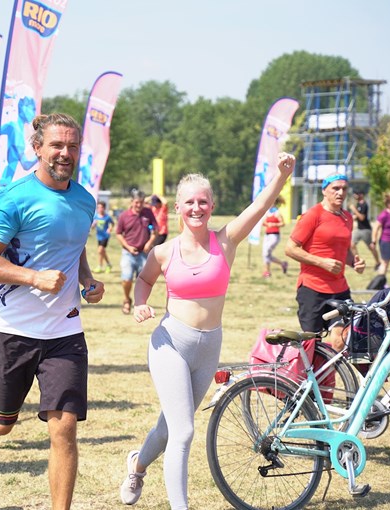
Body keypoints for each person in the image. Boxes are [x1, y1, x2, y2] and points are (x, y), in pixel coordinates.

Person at [0, 113, 104, 509]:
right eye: (56, 145)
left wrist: (86, 279)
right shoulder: (15, 197)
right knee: (1, 422)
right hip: (11, 331)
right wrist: (34, 277)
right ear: (38, 148)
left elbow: (72, 244)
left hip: (65, 333)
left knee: (64, 429)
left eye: (72, 146)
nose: (65, 153)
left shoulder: (85, 200)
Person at [119, 153, 295, 509]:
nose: (196, 208)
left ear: (212, 205)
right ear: (177, 208)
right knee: (184, 432)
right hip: (171, 344)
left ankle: (137, 465)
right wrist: (140, 303)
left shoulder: (226, 240)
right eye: (189, 202)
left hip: (209, 346)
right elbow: (144, 280)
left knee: (169, 429)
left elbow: (260, 206)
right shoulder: (165, 252)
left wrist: (281, 175)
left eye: (203, 201)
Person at [285, 173, 366, 350]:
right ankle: (312, 377)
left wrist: (354, 263)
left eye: (344, 189)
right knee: (312, 345)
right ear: (324, 191)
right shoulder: (313, 215)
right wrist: (322, 262)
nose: (340, 192)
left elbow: (343, 249)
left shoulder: (347, 218)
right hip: (313, 289)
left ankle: (335, 377)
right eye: (335, 188)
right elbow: (290, 248)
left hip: (340, 290)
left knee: (341, 340)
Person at [115, 190, 158, 315]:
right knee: (127, 278)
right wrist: (128, 247)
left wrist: (149, 243)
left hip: (143, 253)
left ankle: (140, 304)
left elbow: (155, 231)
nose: (139, 205)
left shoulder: (148, 213)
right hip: (128, 253)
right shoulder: (124, 216)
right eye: (137, 202)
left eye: (141, 203)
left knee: (143, 281)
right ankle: (127, 299)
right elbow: (118, 234)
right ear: (132, 202)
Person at [349, 190, 381, 269]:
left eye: (356, 194)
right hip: (359, 229)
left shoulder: (364, 205)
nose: (354, 196)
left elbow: (362, 218)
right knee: (351, 244)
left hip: (366, 230)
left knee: (371, 247)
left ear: (361, 195)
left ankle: (378, 263)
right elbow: (357, 216)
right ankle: (357, 262)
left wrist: (354, 210)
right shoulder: (358, 204)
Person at [261, 195, 288, 278]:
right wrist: (267, 224)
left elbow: (283, 223)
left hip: (274, 235)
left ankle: (267, 271)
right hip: (267, 235)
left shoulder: (277, 212)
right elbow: (263, 222)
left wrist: (274, 224)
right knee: (265, 253)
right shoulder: (267, 212)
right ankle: (282, 264)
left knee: (266, 252)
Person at [92, 200, 114, 273]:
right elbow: (92, 227)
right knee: (102, 252)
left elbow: (112, 223)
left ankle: (100, 266)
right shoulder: (96, 216)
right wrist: (93, 225)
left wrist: (109, 228)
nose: (99, 209)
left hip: (105, 236)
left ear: (104, 208)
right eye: (98, 207)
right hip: (99, 236)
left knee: (100, 250)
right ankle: (108, 264)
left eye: (101, 207)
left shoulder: (107, 217)